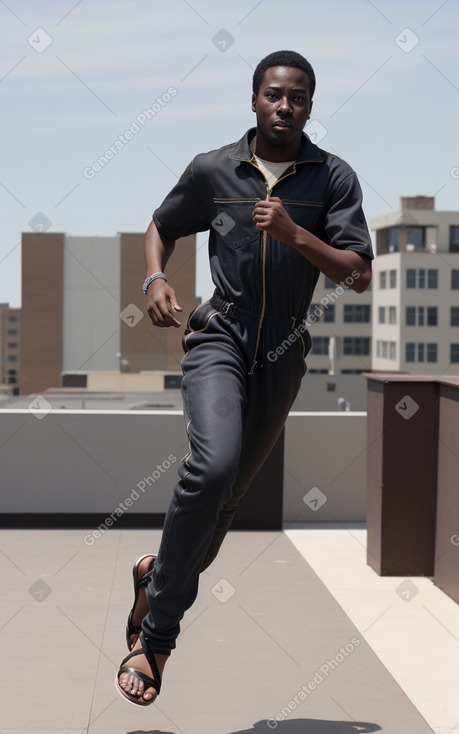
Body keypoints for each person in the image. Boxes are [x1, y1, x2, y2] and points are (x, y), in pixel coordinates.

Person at [116, 49, 373, 705]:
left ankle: (158, 575)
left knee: (228, 502)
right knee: (212, 466)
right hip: (218, 333)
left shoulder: (331, 179)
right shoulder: (214, 169)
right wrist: (153, 277)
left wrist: (294, 234)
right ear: (254, 99)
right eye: (274, 95)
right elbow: (161, 225)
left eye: (298, 98)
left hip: (284, 343)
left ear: (309, 106)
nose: (285, 107)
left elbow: (356, 273)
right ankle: (158, 640)